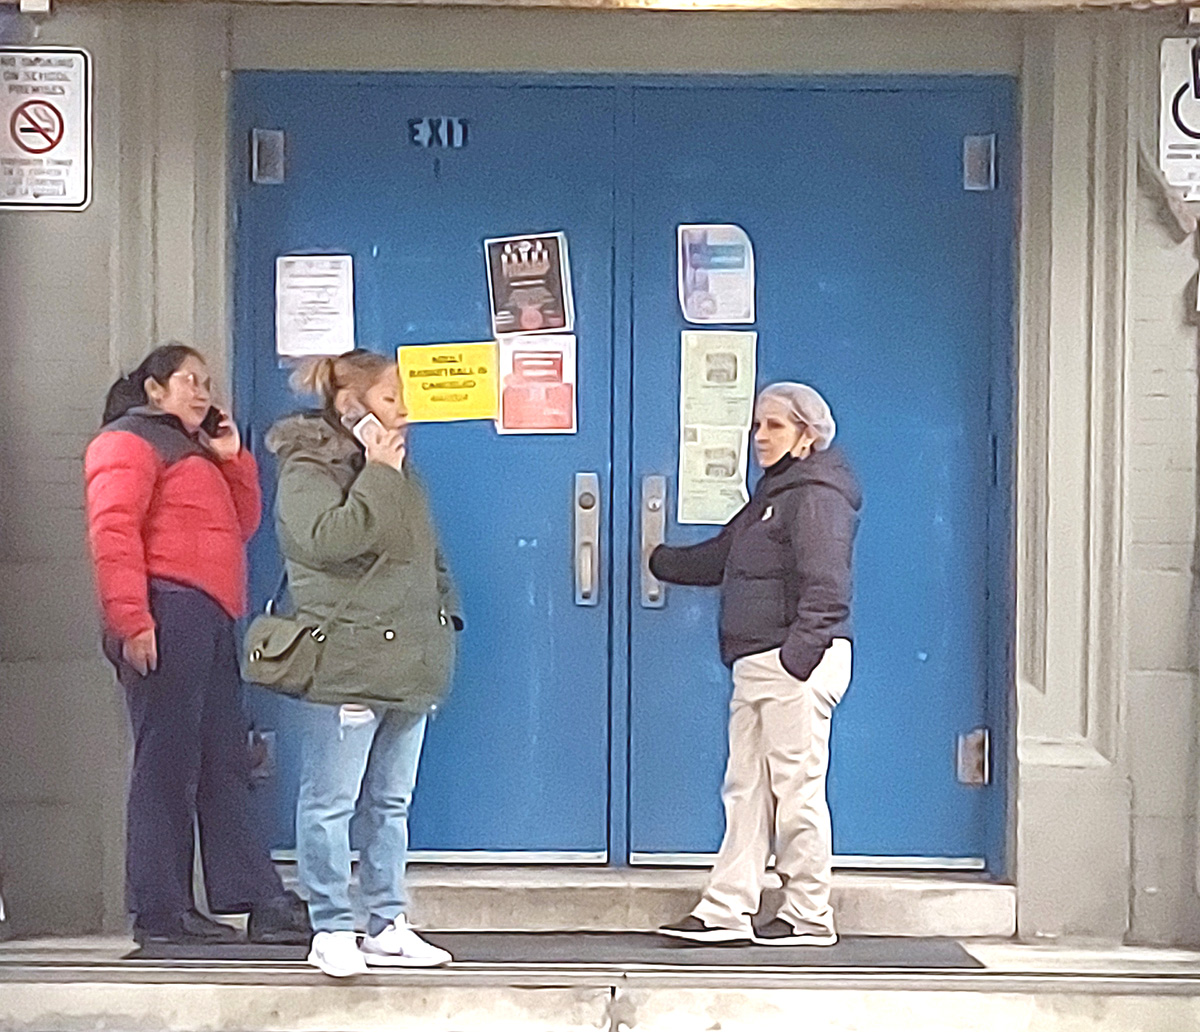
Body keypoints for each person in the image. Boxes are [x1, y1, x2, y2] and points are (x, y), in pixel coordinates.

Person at [84, 344, 310, 946]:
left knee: (222, 758)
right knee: (167, 763)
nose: (203, 391)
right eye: (190, 381)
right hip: (166, 608)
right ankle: (160, 910)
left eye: (208, 382)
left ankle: (252, 895)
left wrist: (233, 460)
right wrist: (132, 619)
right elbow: (113, 531)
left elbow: (240, 524)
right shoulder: (129, 441)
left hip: (208, 614)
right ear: (155, 389)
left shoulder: (195, 452)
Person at [265, 350, 461, 978]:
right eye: (390, 397)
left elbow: (423, 554)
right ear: (352, 407)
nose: (405, 409)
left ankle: (385, 920)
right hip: (347, 657)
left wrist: (444, 615)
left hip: (409, 657)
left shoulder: (401, 467)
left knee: (391, 801)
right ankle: (330, 925)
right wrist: (377, 470)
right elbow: (325, 540)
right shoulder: (308, 465)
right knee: (331, 801)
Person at [652, 382, 862, 947]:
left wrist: (798, 658)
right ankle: (726, 908)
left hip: (790, 661)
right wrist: (658, 557)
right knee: (746, 788)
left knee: (795, 790)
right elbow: (720, 558)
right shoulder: (774, 495)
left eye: (774, 426)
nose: (760, 438)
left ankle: (809, 914)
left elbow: (827, 588)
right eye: (756, 427)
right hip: (758, 660)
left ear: (807, 436)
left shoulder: (815, 494)